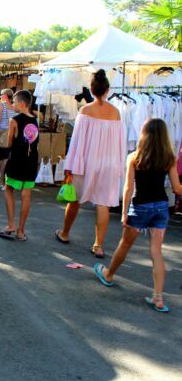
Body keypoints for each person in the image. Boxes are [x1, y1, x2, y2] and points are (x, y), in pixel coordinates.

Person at [93, 119, 182, 313]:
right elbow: (176, 188)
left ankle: (109, 275)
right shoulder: (169, 158)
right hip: (160, 207)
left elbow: (128, 187)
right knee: (156, 252)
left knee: (125, 244)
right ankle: (158, 297)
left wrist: (124, 212)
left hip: (140, 206)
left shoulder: (134, 157)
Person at [55, 69, 125, 258]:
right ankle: (98, 245)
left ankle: (65, 233)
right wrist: (119, 165)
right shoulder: (116, 113)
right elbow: (121, 143)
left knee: (75, 199)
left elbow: (76, 142)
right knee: (103, 204)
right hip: (109, 163)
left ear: (92, 90)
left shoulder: (85, 111)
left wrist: (69, 166)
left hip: (85, 162)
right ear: (107, 89)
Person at [0, 90, 39, 242]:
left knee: (9, 189)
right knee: (26, 195)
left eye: (14, 102)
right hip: (31, 161)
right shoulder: (35, 120)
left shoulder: (14, 120)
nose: (12, 105)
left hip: (16, 160)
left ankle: (11, 225)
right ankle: (21, 231)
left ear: (22, 104)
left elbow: (9, 143)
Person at [0, 89, 15, 188]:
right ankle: (0, 175)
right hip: (12, 134)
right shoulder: (15, 106)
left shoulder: (1, 105)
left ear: (6, 96)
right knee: (3, 156)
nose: (0, 96)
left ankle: (0, 177)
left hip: (2, 133)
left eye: (1, 95)